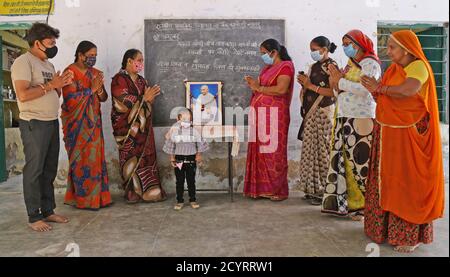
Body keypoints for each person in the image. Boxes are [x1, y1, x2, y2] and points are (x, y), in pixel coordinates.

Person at [361, 30, 445, 253]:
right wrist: (375, 90)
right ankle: (384, 230)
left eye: (392, 47)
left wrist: (379, 88)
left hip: (408, 136)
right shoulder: (394, 70)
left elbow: (408, 90)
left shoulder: (418, 66)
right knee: (387, 179)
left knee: (406, 182)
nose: (388, 52)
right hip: (388, 134)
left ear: (406, 49)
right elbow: (385, 98)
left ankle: (410, 236)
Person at [11, 22, 72, 232]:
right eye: (50, 42)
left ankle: (48, 210)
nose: (54, 46)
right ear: (37, 43)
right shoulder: (23, 62)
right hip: (33, 122)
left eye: (55, 42)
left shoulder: (48, 65)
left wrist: (60, 85)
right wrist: (50, 86)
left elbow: (54, 93)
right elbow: (23, 94)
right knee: (34, 170)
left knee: (49, 169)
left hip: (51, 121)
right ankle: (33, 215)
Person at [321, 30, 381, 220]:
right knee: (347, 163)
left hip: (361, 118)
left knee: (361, 162)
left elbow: (365, 90)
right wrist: (336, 80)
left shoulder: (370, 63)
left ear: (360, 44)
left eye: (349, 43)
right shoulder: (350, 65)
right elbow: (339, 89)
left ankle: (367, 207)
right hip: (344, 116)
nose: (346, 47)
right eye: (344, 43)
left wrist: (340, 81)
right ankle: (351, 205)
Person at [111, 49, 166, 203]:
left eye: (142, 60)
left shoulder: (142, 81)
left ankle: (149, 191)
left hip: (143, 129)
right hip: (127, 129)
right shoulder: (118, 79)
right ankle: (132, 193)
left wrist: (150, 99)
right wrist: (144, 98)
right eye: (139, 60)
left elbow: (148, 101)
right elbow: (122, 101)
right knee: (130, 157)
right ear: (129, 61)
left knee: (146, 158)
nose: (141, 63)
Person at [61, 41, 112, 210]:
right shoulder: (70, 73)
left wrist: (98, 90)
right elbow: (70, 100)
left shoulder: (96, 73)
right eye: (90, 56)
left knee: (95, 159)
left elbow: (103, 98)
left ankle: (99, 199)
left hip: (94, 124)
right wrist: (91, 90)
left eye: (95, 56)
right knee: (80, 161)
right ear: (80, 55)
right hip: (76, 126)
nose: (93, 59)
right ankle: (82, 199)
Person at [243, 38, 295, 201]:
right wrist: (254, 84)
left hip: (276, 116)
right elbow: (260, 88)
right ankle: (260, 189)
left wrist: (258, 88)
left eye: (264, 53)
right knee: (261, 151)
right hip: (261, 116)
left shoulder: (285, 67)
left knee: (274, 152)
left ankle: (277, 190)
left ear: (274, 52)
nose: (263, 56)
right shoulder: (268, 68)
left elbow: (281, 89)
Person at [297, 36, 339, 205]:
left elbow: (333, 92)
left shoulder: (332, 66)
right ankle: (311, 189)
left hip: (323, 113)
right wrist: (304, 84)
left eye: (315, 49)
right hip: (310, 114)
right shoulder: (314, 66)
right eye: (311, 49)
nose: (312, 52)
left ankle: (323, 191)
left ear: (324, 49)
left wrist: (310, 86)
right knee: (310, 152)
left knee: (322, 152)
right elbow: (310, 87)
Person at [163, 108, 209, 210]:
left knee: (191, 180)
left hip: (191, 159)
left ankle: (193, 199)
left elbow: (200, 143)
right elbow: (171, 144)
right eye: (183, 118)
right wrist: (172, 158)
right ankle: (179, 201)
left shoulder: (194, 131)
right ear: (178, 119)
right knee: (179, 181)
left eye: (188, 118)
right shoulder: (174, 131)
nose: (186, 120)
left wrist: (199, 155)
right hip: (179, 159)